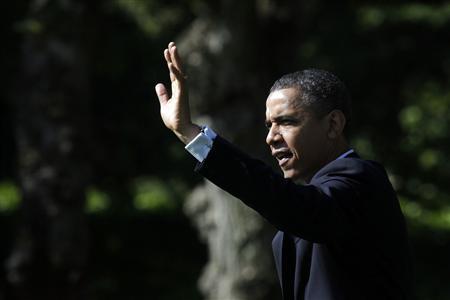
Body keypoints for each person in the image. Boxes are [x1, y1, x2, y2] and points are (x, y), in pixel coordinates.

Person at [155, 42, 413, 300]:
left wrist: (191, 133)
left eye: (287, 122)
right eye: (269, 125)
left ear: (333, 124)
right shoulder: (314, 199)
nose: (271, 137)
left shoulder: (361, 180)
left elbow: (300, 208)